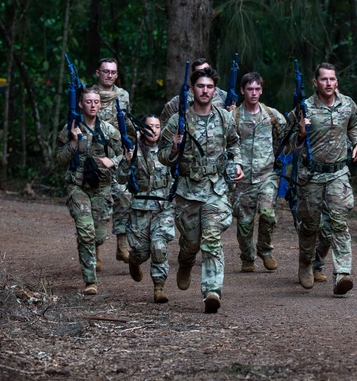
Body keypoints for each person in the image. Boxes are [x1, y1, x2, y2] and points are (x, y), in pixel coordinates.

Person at [159, 66, 244, 313]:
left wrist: (236, 164)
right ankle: (185, 262)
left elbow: (234, 144)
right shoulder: (178, 121)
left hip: (215, 189)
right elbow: (163, 157)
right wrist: (174, 149)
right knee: (191, 242)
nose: (205, 91)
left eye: (209, 87)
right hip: (187, 191)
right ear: (192, 89)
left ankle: (212, 291)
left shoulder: (224, 118)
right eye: (200, 86)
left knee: (212, 238)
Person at [292, 63, 357, 295]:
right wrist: (301, 133)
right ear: (315, 82)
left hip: (338, 173)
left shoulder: (347, 104)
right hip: (311, 176)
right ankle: (306, 262)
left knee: (339, 222)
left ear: (337, 82)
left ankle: (342, 273)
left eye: (332, 79)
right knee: (310, 226)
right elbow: (291, 146)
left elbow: (354, 127)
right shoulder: (304, 108)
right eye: (324, 80)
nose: (328, 84)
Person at [55, 87, 124, 295]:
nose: (93, 105)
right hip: (77, 187)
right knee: (86, 232)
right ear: (81, 104)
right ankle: (90, 281)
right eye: (88, 102)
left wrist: (112, 161)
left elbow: (125, 153)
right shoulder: (70, 129)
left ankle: (91, 248)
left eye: (96, 102)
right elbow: (59, 159)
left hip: (101, 187)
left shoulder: (110, 130)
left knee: (98, 236)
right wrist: (74, 142)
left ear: (100, 104)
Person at [232, 72, 288, 272]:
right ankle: (247, 257)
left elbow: (287, 138)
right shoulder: (234, 116)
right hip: (242, 179)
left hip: (266, 176)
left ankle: (265, 249)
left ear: (261, 90)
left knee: (267, 214)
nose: (254, 93)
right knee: (244, 223)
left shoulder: (271, 115)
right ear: (242, 91)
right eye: (250, 89)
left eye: (257, 89)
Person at [123, 115, 176, 304]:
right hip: (140, 209)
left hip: (163, 208)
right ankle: (134, 261)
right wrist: (127, 162)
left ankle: (159, 287)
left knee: (159, 246)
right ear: (142, 129)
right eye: (149, 126)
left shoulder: (168, 151)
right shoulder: (133, 149)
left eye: (157, 126)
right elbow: (121, 179)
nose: (153, 130)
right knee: (141, 251)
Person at [90, 57, 134, 264]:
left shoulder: (123, 95)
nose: (110, 75)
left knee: (124, 198)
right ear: (98, 72)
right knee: (99, 206)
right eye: (106, 71)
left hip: (117, 156)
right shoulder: (89, 95)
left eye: (113, 72)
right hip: (95, 156)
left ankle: (122, 244)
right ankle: (96, 252)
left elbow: (127, 121)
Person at [158, 57, 230, 127]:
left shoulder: (224, 96)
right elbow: (163, 127)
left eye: (206, 71)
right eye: (200, 73)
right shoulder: (178, 102)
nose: (203, 75)